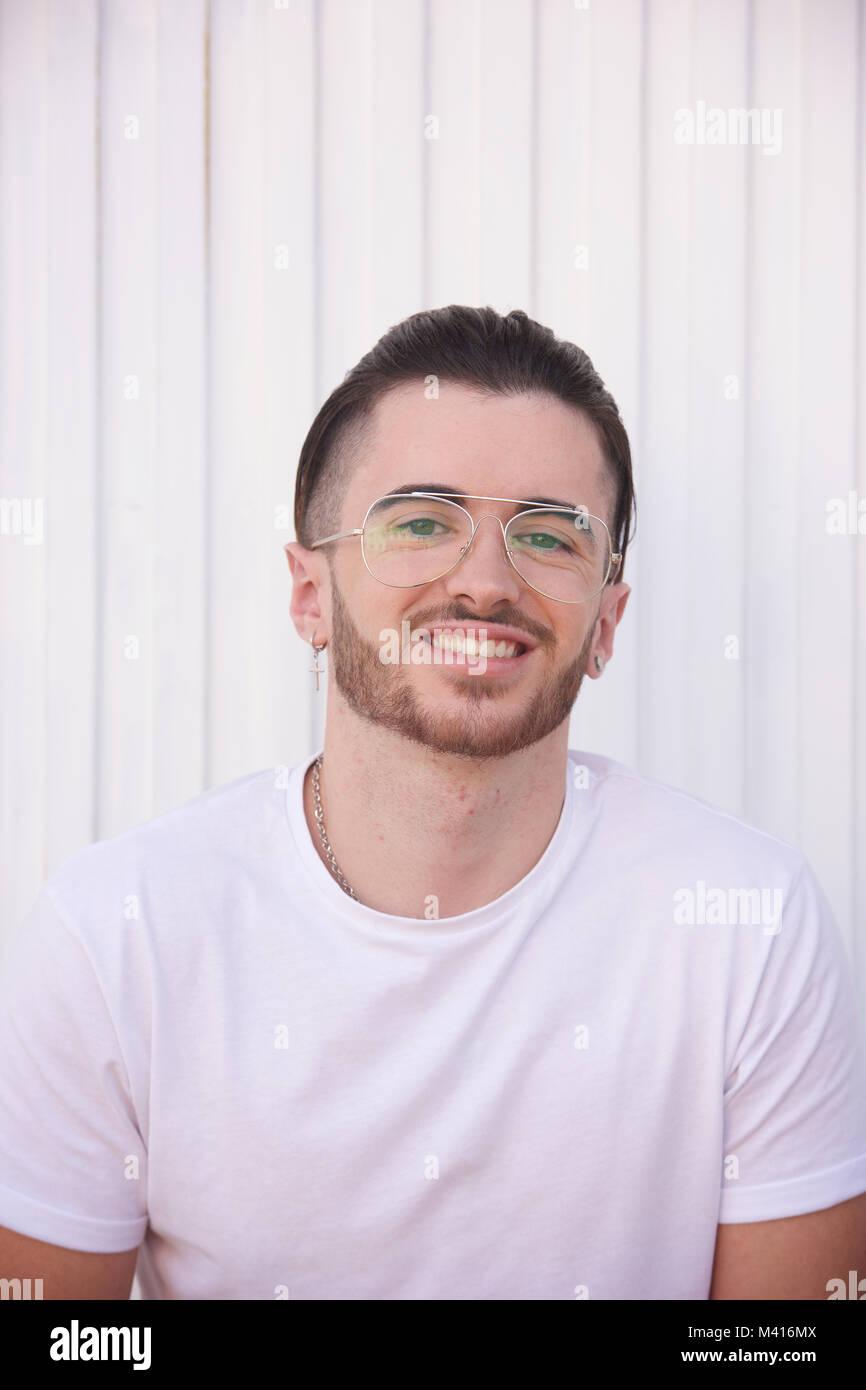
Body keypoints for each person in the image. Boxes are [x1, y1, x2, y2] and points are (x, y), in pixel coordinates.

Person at [1, 305, 865, 1301]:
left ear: (605, 620)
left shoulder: (747, 923)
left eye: (549, 535)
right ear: (308, 592)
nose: (485, 581)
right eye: (418, 522)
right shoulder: (117, 934)